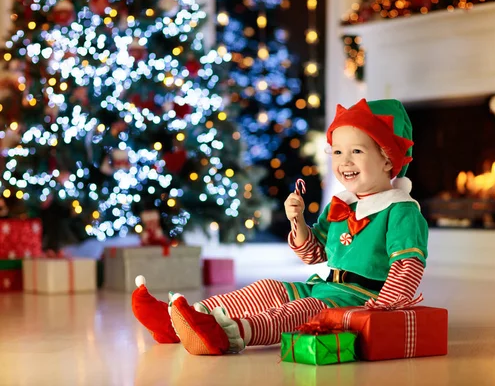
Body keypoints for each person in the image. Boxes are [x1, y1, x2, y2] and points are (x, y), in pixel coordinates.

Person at [131, 98, 429, 355]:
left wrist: (382, 313)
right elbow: (314, 255)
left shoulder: (400, 209)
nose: (344, 161)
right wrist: (297, 222)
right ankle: (184, 319)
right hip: (324, 286)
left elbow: (407, 266)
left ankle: (229, 333)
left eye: (357, 152)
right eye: (337, 152)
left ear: (388, 159)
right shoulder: (342, 204)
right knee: (267, 289)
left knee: (298, 313)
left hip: (362, 299)